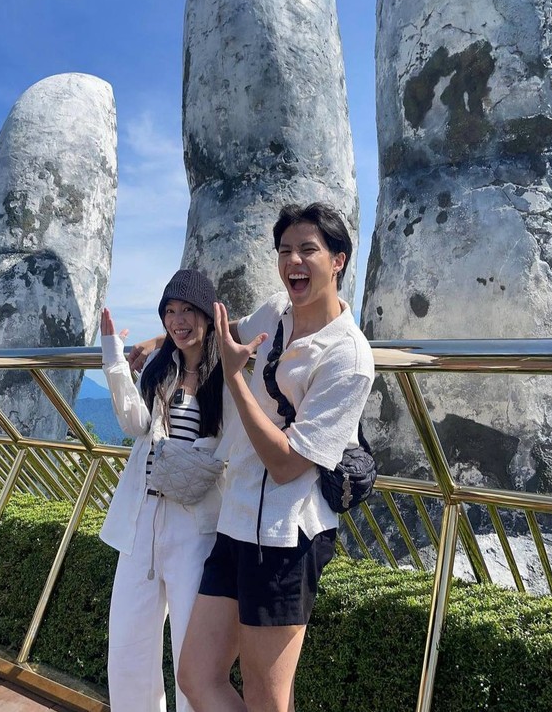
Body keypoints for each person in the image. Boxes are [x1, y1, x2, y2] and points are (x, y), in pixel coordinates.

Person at [171, 202, 374, 712]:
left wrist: (235, 378)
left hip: (286, 537)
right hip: (237, 520)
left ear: (338, 260)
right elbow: (229, 332)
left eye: (308, 249)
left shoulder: (348, 357)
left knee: (267, 698)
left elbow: (286, 465)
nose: (293, 262)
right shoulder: (275, 314)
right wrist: (158, 342)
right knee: (196, 675)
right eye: (285, 251)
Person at [99, 269, 226, 712]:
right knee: (128, 643)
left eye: (188, 310)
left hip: (194, 523)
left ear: (208, 315)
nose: (178, 320)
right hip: (142, 517)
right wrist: (114, 358)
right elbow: (134, 423)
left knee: (191, 647)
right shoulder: (159, 368)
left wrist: (191, 457)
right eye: (169, 312)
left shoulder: (225, 373)